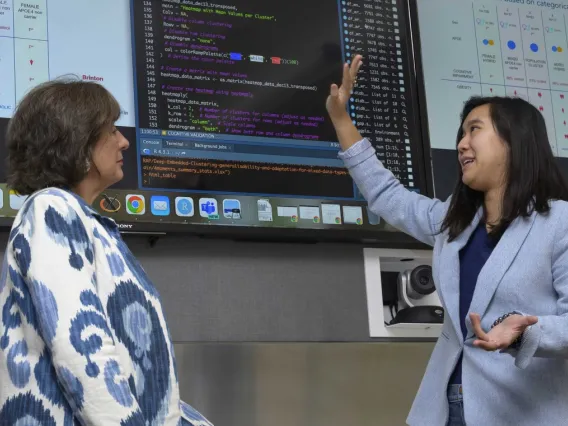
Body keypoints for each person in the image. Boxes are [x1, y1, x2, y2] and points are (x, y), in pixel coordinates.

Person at [327, 55, 568, 425]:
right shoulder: (453, 221)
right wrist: (341, 119)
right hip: (444, 409)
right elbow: (385, 193)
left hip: (519, 412)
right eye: (461, 134)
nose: (461, 144)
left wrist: (527, 331)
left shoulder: (559, 222)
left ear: (513, 141)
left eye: (474, 130)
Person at [0, 79, 213, 426]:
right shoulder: (51, 209)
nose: (124, 141)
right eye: (111, 131)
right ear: (77, 141)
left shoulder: (85, 222)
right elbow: (83, 352)